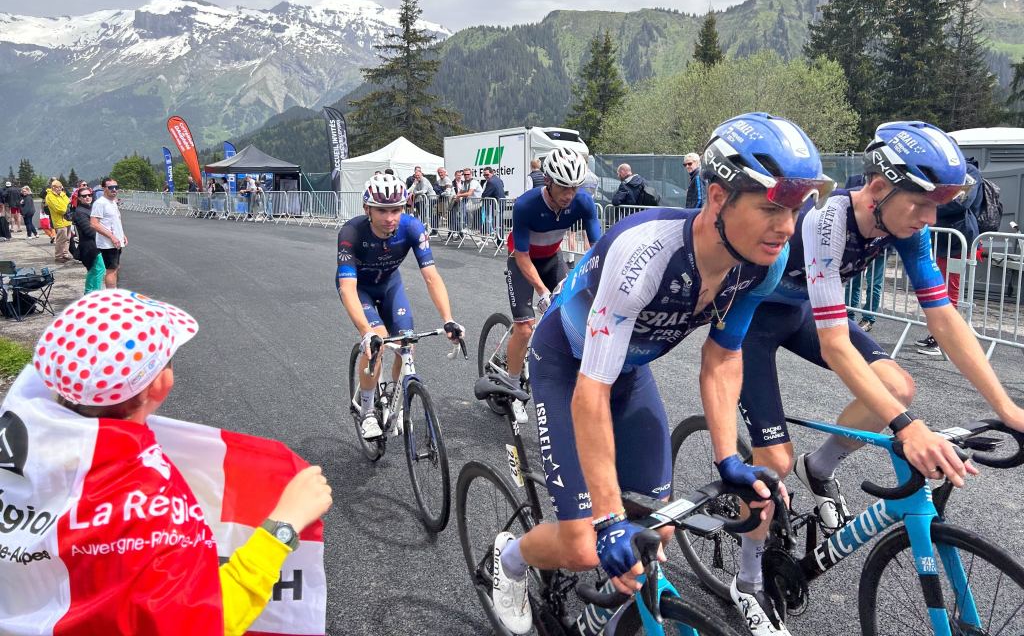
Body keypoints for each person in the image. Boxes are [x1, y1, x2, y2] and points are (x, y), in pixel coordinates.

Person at [490, 113, 833, 635]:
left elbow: (722, 358)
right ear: (717, 198)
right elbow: (591, 392)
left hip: (626, 370)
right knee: (586, 543)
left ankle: (601, 610)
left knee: (659, 526)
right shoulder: (646, 254)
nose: (786, 227)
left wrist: (728, 459)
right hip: (567, 367)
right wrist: (606, 519)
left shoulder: (765, 261)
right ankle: (511, 559)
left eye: (793, 209)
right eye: (769, 207)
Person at [735, 121, 1024, 632]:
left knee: (898, 385)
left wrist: (1008, 408)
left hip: (801, 310)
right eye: (922, 202)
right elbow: (835, 346)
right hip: (750, 323)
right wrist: (907, 429)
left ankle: (819, 467)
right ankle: (747, 580)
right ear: (878, 187)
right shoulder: (826, 219)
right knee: (769, 466)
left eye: (940, 204)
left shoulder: (905, 225)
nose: (931, 217)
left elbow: (944, 318)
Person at [0, 290, 332, 634]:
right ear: (160, 383)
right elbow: (203, 623)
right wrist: (283, 525)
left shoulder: (20, 442)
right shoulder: (149, 503)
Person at [336, 174, 464, 439]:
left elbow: (431, 277)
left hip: (390, 285)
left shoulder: (413, 228)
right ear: (367, 209)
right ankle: (369, 411)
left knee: (408, 344)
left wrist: (448, 319)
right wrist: (365, 331)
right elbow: (347, 287)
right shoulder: (351, 232)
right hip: (360, 289)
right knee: (378, 343)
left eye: (396, 209)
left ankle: (393, 395)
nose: (390, 217)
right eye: (382, 210)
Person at [501, 148, 601, 423]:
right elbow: (522, 256)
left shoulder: (583, 203)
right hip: (522, 261)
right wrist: (543, 292)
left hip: (552, 259)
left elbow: (599, 249)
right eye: (563, 187)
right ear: (548, 181)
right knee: (524, 327)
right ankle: (511, 387)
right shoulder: (526, 205)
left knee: (573, 317)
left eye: (574, 187)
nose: (569, 194)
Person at [915, 157, 984, 355]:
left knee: (951, 290)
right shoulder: (945, 171)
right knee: (939, 287)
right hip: (944, 238)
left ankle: (945, 340)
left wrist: (929, 205)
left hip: (958, 239)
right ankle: (937, 335)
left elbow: (963, 202)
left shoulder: (969, 172)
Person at [841, 173, 883, 332]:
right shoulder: (853, 179)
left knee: (874, 282)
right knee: (852, 281)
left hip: (879, 243)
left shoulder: (890, 183)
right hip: (856, 243)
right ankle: (849, 315)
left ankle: (868, 318)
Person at [91, 177, 127, 288]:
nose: (114, 189)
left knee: (116, 268)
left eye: (116, 187)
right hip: (108, 244)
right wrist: (112, 236)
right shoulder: (100, 203)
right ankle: (111, 296)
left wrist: (122, 235)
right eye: (111, 187)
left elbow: (115, 221)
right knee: (111, 270)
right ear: (103, 188)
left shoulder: (112, 202)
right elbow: (94, 223)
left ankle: (114, 292)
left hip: (116, 242)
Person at [71, 186, 106, 292]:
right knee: (98, 270)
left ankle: (90, 294)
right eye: (84, 196)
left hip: (94, 245)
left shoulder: (89, 209)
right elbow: (89, 231)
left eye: (89, 195)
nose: (87, 197)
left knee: (94, 270)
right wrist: (106, 236)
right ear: (79, 198)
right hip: (89, 247)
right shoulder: (80, 212)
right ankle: (94, 296)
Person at [44, 180, 74, 263]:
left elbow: (69, 203)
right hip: (59, 221)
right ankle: (58, 256)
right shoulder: (49, 196)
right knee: (61, 239)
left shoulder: (63, 194)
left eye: (61, 187)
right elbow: (59, 209)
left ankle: (65, 254)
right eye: (58, 187)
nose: (60, 189)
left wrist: (66, 208)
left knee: (67, 238)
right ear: (53, 187)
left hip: (67, 220)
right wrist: (66, 208)